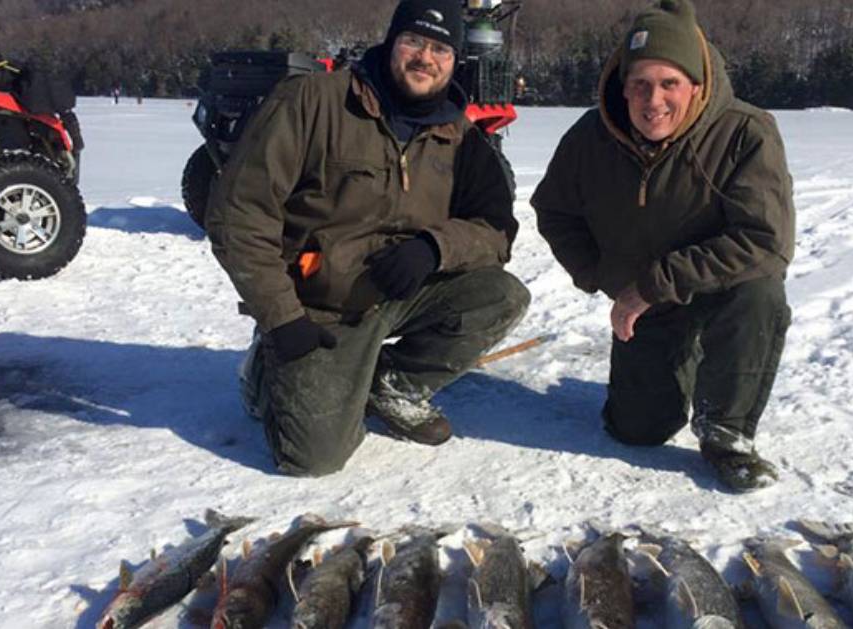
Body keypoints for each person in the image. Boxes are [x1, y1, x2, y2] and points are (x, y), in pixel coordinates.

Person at [205, 0, 529, 477]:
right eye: (414, 41)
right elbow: (239, 214)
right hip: (320, 304)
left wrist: (433, 247)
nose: (426, 58)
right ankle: (266, 368)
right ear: (392, 41)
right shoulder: (313, 102)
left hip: (401, 292)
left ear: (456, 60)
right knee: (313, 460)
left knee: (500, 296)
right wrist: (281, 318)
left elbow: (497, 230)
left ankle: (391, 383)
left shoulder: (459, 135)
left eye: (441, 48)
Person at [530, 0, 794, 492]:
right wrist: (601, 276)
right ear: (622, 86)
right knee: (636, 431)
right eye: (640, 84)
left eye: (669, 83)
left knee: (761, 292)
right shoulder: (591, 136)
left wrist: (653, 285)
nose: (654, 100)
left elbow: (765, 240)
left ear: (696, 86)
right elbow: (555, 210)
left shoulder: (745, 131)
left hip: (721, 292)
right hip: (643, 298)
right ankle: (676, 366)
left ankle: (727, 433)